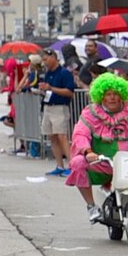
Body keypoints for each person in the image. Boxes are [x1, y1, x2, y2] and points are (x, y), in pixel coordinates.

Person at [68, 73, 128, 224]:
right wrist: (88, 152)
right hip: (102, 163)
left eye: (116, 94)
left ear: (122, 95)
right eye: (108, 94)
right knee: (77, 163)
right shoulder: (90, 114)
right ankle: (91, 207)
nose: (112, 98)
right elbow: (80, 134)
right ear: (101, 96)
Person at [33, 49, 76, 177]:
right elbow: (47, 90)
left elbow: (70, 92)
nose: (45, 62)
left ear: (54, 58)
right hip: (48, 106)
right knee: (52, 137)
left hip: (60, 107)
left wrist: (51, 88)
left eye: (46, 59)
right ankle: (59, 165)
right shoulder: (48, 73)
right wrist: (42, 90)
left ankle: (72, 166)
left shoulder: (64, 73)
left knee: (62, 136)